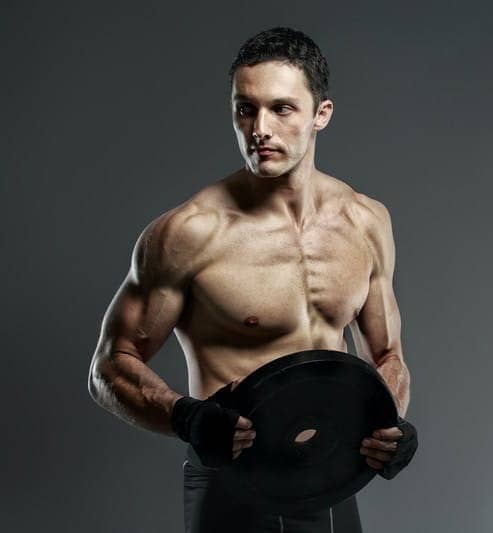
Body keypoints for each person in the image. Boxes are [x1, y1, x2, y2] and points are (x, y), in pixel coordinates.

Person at [88, 26, 417, 533]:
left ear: (320, 115)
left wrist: (388, 423)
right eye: (246, 108)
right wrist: (187, 418)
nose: (259, 128)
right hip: (233, 484)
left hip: (330, 478)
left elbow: (388, 355)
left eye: (281, 109)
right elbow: (108, 366)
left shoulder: (365, 222)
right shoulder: (190, 233)